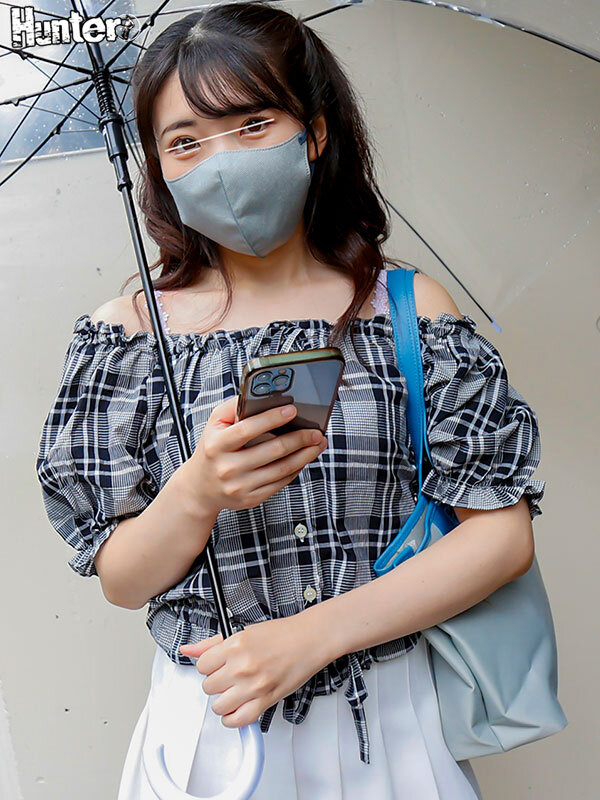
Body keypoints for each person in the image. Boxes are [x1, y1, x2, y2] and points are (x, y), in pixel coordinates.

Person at [36, 3, 546, 798]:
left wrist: (309, 639)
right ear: (158, 168)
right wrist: (199, 489)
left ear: (313, 133)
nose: (222, 162)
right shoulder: (127, 335)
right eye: (185, 142)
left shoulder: (410, 310)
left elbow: (501, 537)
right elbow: (123, 581)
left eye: (251, 125)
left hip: (393, 723)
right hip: (213, 726)